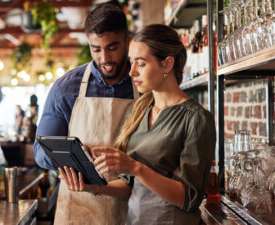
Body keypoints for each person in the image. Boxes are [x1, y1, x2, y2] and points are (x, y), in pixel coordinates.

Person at [59, 24, 216, 225]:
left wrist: (135, 167)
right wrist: (94, 186)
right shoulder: (140, 109)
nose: (132, 72)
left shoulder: (196, 118)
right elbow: (129, 185)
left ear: (167, 64)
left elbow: (188, 198)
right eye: (131, 62)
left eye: (140, 64)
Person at [33, 3, 138, 225]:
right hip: (80, 208)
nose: (105, 58)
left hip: (133, 207)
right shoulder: (66, 88)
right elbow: (41, 152)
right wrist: (74, 156)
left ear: (127, 41)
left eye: (112, 48)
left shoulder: (144, 84)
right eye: (96, 49)